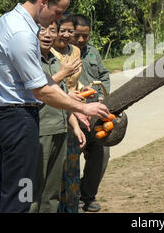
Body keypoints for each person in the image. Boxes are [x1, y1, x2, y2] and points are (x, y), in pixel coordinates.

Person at [0, 0, 109, 213]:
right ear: (43, 2)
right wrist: (84, 108)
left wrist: (70, 103)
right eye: (57, 12)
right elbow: (40, 90)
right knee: (21, 195)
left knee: (5, 189)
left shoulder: (7, 21)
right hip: (18, 121)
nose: (58, 19)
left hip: (4, 117)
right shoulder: (21, 34)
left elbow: (43, 81)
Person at [30, 21, 85, 213]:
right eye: (42, 30)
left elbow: (63, 97)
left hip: (60, 129)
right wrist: (64, 73)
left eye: (52, 30)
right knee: (33, 191)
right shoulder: (30, 59)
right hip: (40, 131)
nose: (47, 35)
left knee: (52, 192)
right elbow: (40, 92)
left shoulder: (56, 61)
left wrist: (75, 126)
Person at [72, 14, 111, 212]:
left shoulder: (93, 53)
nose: (81, 40)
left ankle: (87, 196)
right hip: (74, 115)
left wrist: (104, 95)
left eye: (85, 36)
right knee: (71, 159)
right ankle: (72, 199)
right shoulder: (64, 55)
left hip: (95, 114)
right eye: (77, 35)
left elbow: (104, 75)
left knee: (101, 155)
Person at [51, 14, 88, 213]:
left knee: (72, 166)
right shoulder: (47, 52)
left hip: (73, 113)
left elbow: (74, 81)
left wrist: (84, 90)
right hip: (55, 110)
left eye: (69, 31)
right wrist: (68, 94)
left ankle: (71, 208)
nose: (65, 35)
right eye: (61, 30)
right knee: (55, 169)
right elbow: (44, 86)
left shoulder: (74, 51)